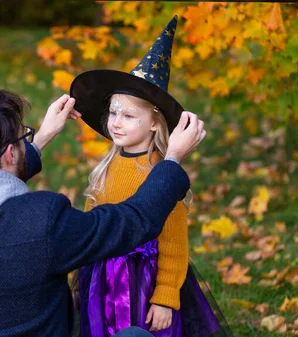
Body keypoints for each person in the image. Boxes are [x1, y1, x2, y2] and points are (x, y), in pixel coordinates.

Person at [0, 88, 206, 336]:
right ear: (11, 153)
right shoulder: (43, 222)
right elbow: (133, 221)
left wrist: (41, 138)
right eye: (23, 137)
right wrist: (173, 160)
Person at [69, 16, 232, 337]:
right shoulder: (105, 165)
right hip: (102, 275)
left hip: (143, 280)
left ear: (155, 123)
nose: (116, 122)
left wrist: (165, 297)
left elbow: (174, 242)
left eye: (129, 116)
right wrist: (80, 270)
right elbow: (90, 224)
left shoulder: (161, 173)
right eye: (113, 112)